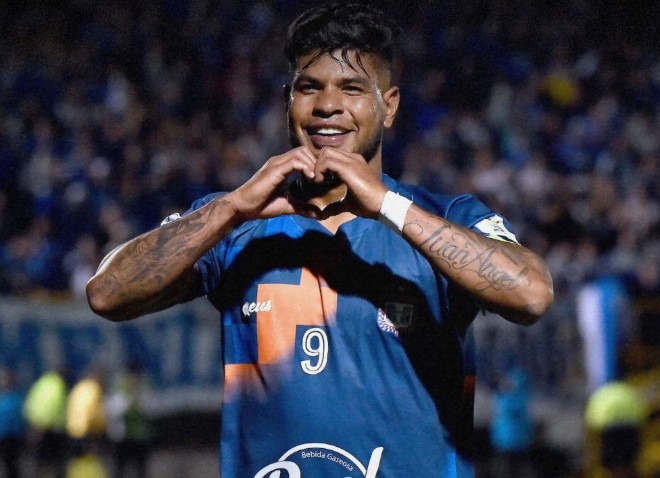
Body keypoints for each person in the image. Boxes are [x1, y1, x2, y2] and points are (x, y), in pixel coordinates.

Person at [86, 3, 554, 476]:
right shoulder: (234, 225)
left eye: (352, 88)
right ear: (288, 101)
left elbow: (531, 294)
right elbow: (106, 293)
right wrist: (230, 208)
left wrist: (387, 206)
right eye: (309, 87)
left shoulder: (446, 216)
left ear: (388, 106)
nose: (327, 105)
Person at [23, 367, 69, 478]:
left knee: (38, 460)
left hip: (36, 426)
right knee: (54, 462)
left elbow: (30, 402)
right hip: (50, 429)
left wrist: (33, 422)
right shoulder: (58, 386)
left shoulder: (42, 383)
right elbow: (52, 407)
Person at [0, 366, 25, 478]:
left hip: (11, 438)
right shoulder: (7, 398)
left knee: (11, 465)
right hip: (7, 437)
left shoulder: (14, 398)